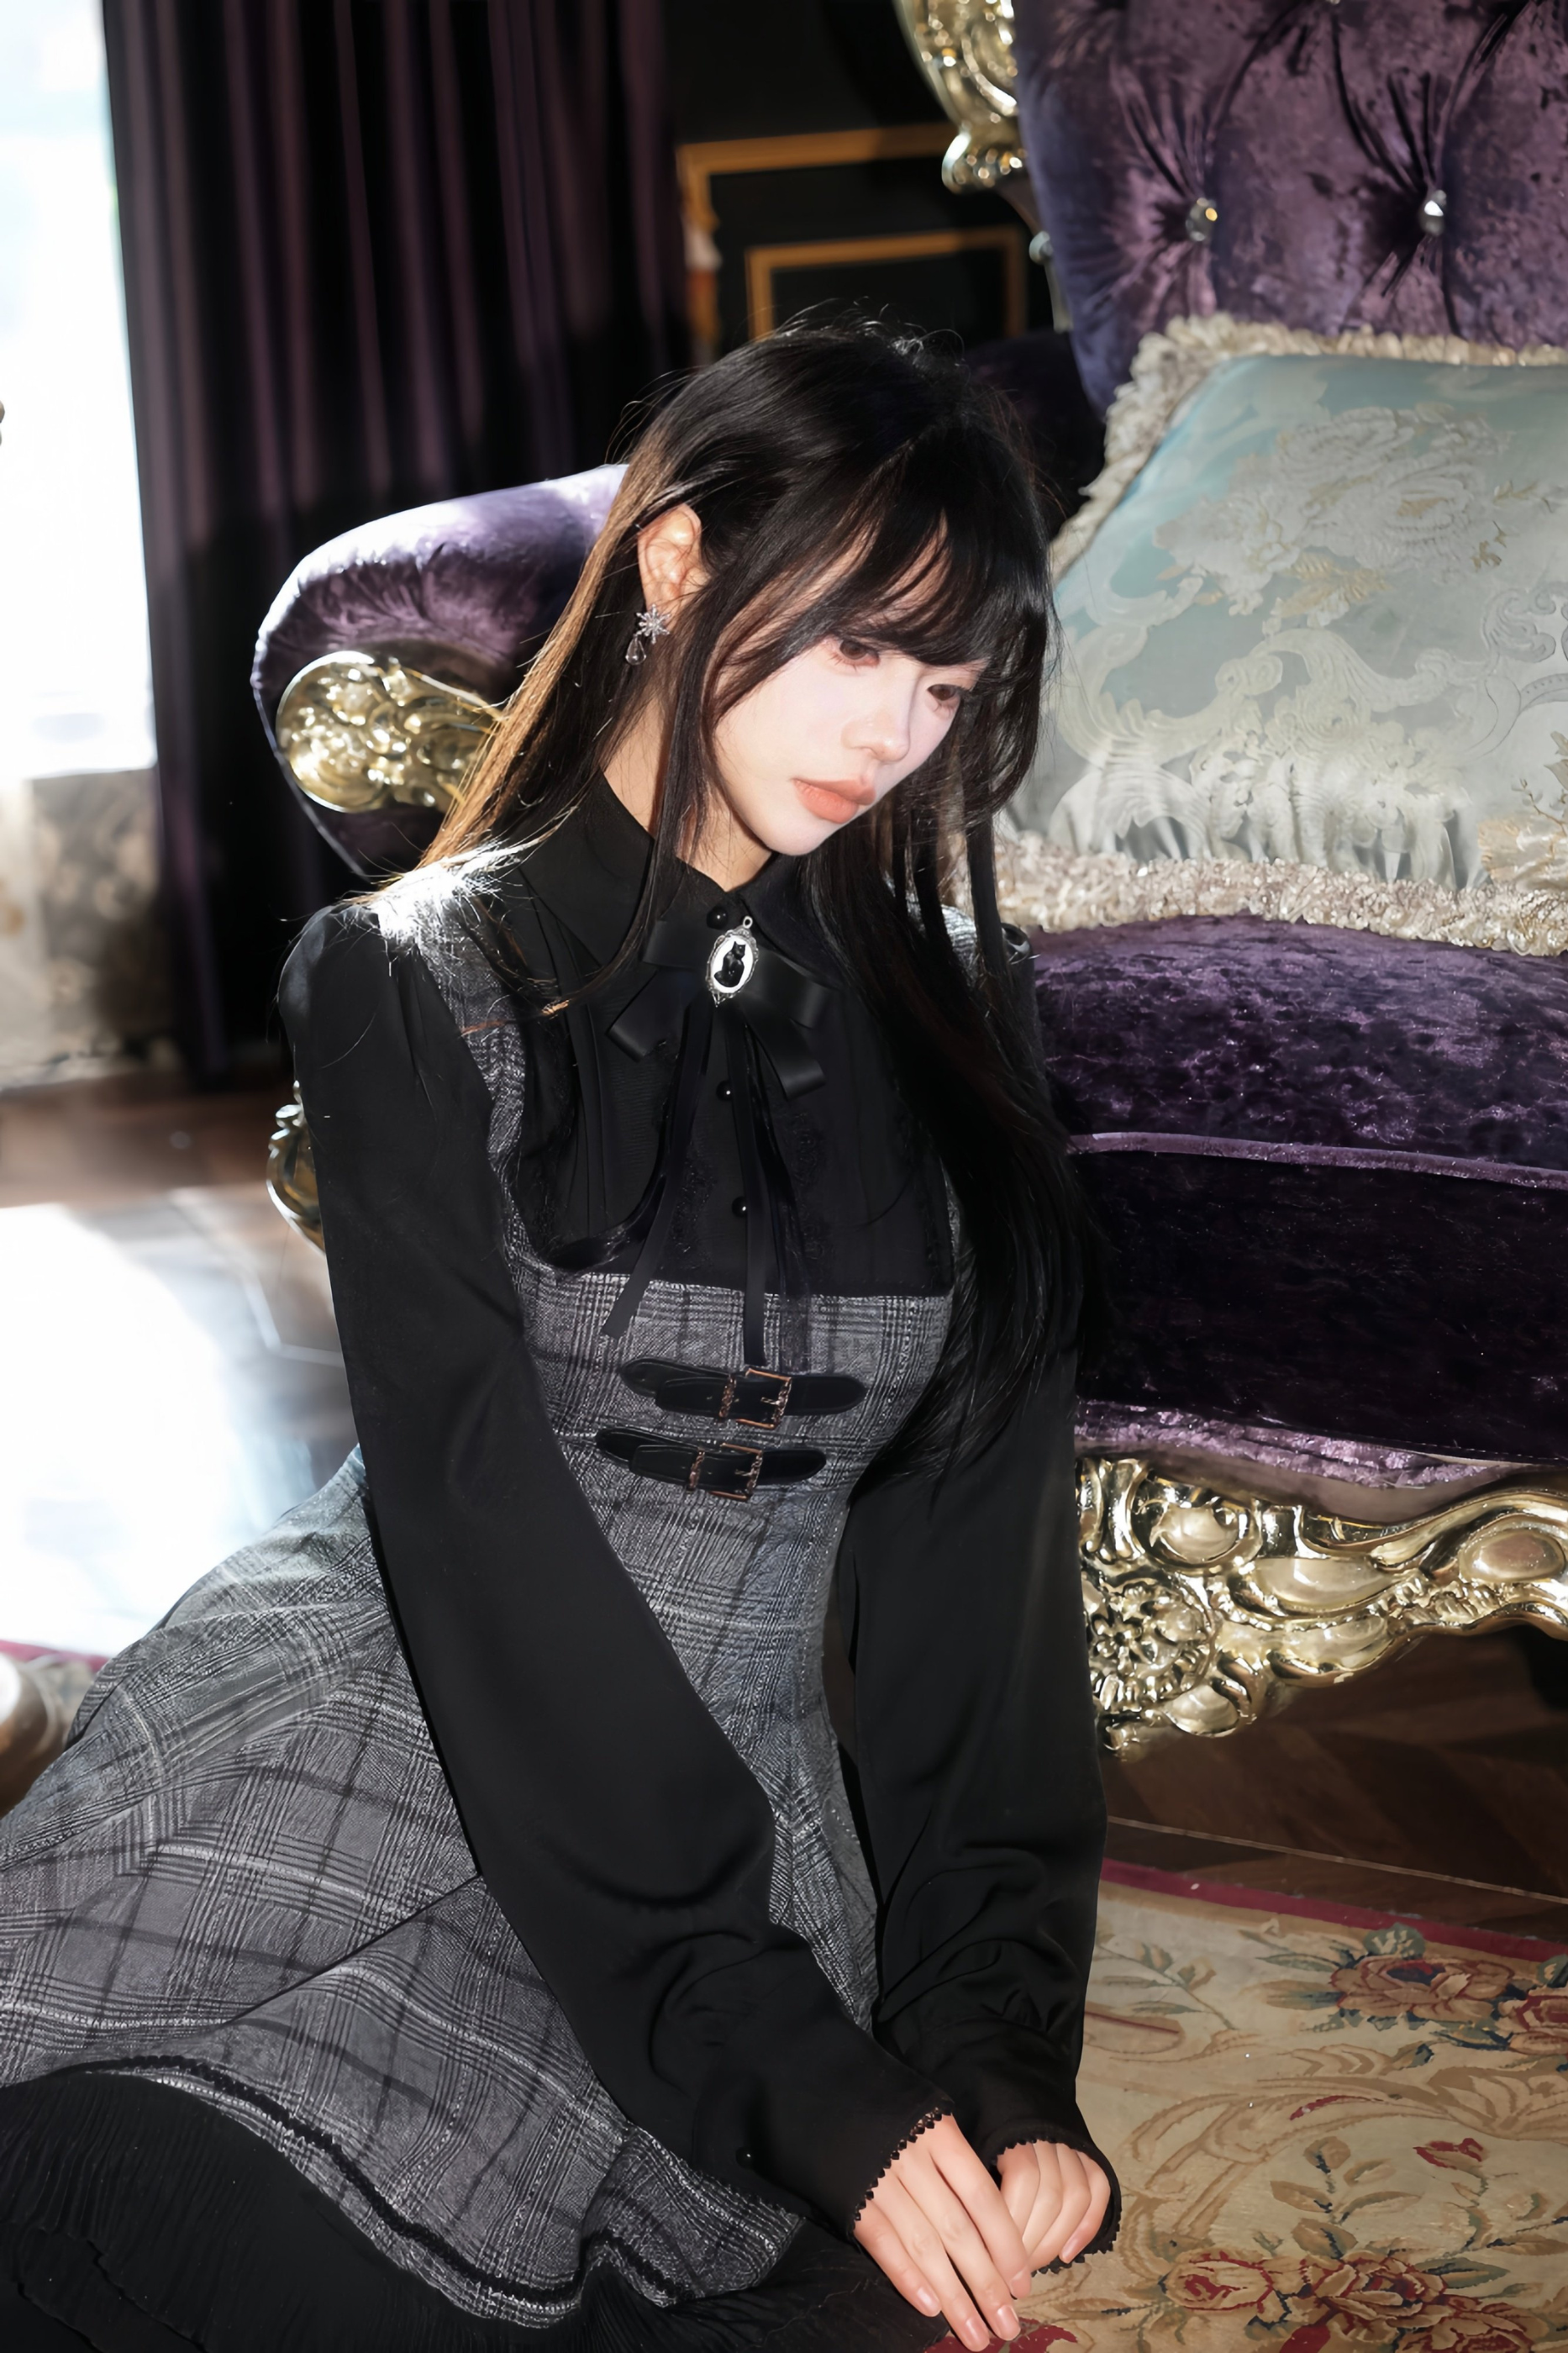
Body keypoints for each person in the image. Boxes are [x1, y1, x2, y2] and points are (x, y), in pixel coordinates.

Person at [0, 323, 1117, 2352]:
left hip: (729, 1794)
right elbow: (486, 1542)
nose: (895, 729)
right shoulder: (408, 980)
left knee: (882, 2299)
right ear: (678, 561)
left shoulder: (969, 1009)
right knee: (184, 2204)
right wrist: (783, 2048)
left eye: (948, 683)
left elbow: (986, 1571)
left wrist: (995, 2046)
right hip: (395, 1721)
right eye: (859, 644)